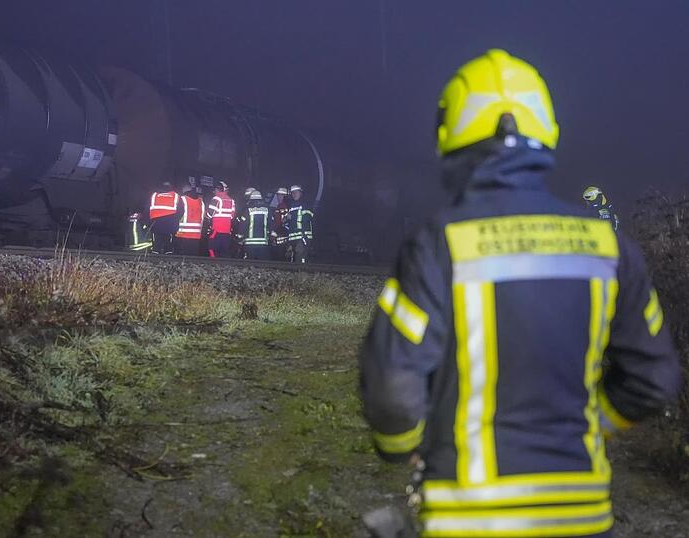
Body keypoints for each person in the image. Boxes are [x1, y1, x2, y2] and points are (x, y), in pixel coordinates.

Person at [359, 49, 682, 538]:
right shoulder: (608, 246)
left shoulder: (440, 243)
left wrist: (400, 446)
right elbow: (654, 380)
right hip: (583, 516)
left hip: (470, 518)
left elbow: (392, 386)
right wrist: (586, 421)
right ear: (544, 131)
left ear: (451, 134)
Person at [239, 190, 273, 260]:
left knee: (250, 263)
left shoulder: (248, 210)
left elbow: (243, 225)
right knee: (263, 263)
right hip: (263, 243)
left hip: (250, 243)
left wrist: (240, 237)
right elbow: (271, 224)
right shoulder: (267, 210)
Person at [284, 185, 314, 263]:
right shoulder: (291, 206)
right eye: (292, 193)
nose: (294, 194)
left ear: (300, 193)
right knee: (293, 260)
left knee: (301, 258)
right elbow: (287, 223)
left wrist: (292, 217)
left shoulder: (305, 205)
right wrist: (285, 220)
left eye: (296, 192)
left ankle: (302, 270)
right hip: (293, 238)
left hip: (303, 237)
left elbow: (307, 218)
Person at [148, 181, 180, 254]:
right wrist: (175, 221)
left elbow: (147, 209)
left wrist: (148, 223)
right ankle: (168, 256)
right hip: (170, 223)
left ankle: (155, 257)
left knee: (156, 246)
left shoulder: (154, 195)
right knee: (168, 247)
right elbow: (181, 210)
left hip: (156, 223)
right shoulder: (175, 196)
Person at [207, 181, 236, 258]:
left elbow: (210, 214)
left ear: (217, 189)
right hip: (227, 231)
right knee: (224, 252)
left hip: (216, 230)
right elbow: (232, 216)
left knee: (212, 249)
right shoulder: (231, 200)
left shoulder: (216, 199)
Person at [175, 184, 205, 256]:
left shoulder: (182, 199)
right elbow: (203, 217)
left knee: (182, 256)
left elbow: (178, 215)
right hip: (196, 234)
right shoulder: (201, 202)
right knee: (193, 256)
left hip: (182, 233)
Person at [271, 187, 291, 261]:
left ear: (284, 196)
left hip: (282, 235)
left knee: (281, 256)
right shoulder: (282, 206)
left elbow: (279, 222)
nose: (278, 197)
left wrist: (274, 235)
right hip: (282, 235)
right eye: (278, 195)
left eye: (280, 195)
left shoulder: (282, 206)